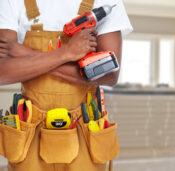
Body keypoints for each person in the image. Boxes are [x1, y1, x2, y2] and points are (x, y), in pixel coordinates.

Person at [0, 0, 133, 170]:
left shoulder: (106, 2)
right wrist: (66, 53)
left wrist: (24, 54)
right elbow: (3, 72)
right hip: (29, 133)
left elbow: (110, 74)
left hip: (85, 130)